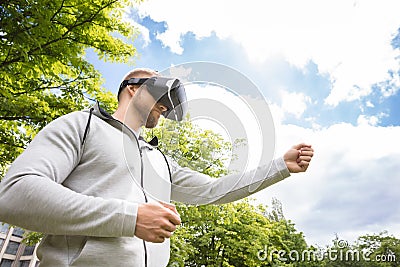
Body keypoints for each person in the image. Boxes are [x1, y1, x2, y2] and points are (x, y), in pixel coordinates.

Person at [0, 68, 314, 267]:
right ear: (132, 88)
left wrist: (279, 167)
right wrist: (129, 217)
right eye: (159, 92)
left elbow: (212, 189)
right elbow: (13, 194)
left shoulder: (157, 159)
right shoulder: (82, 126)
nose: (165, 106)